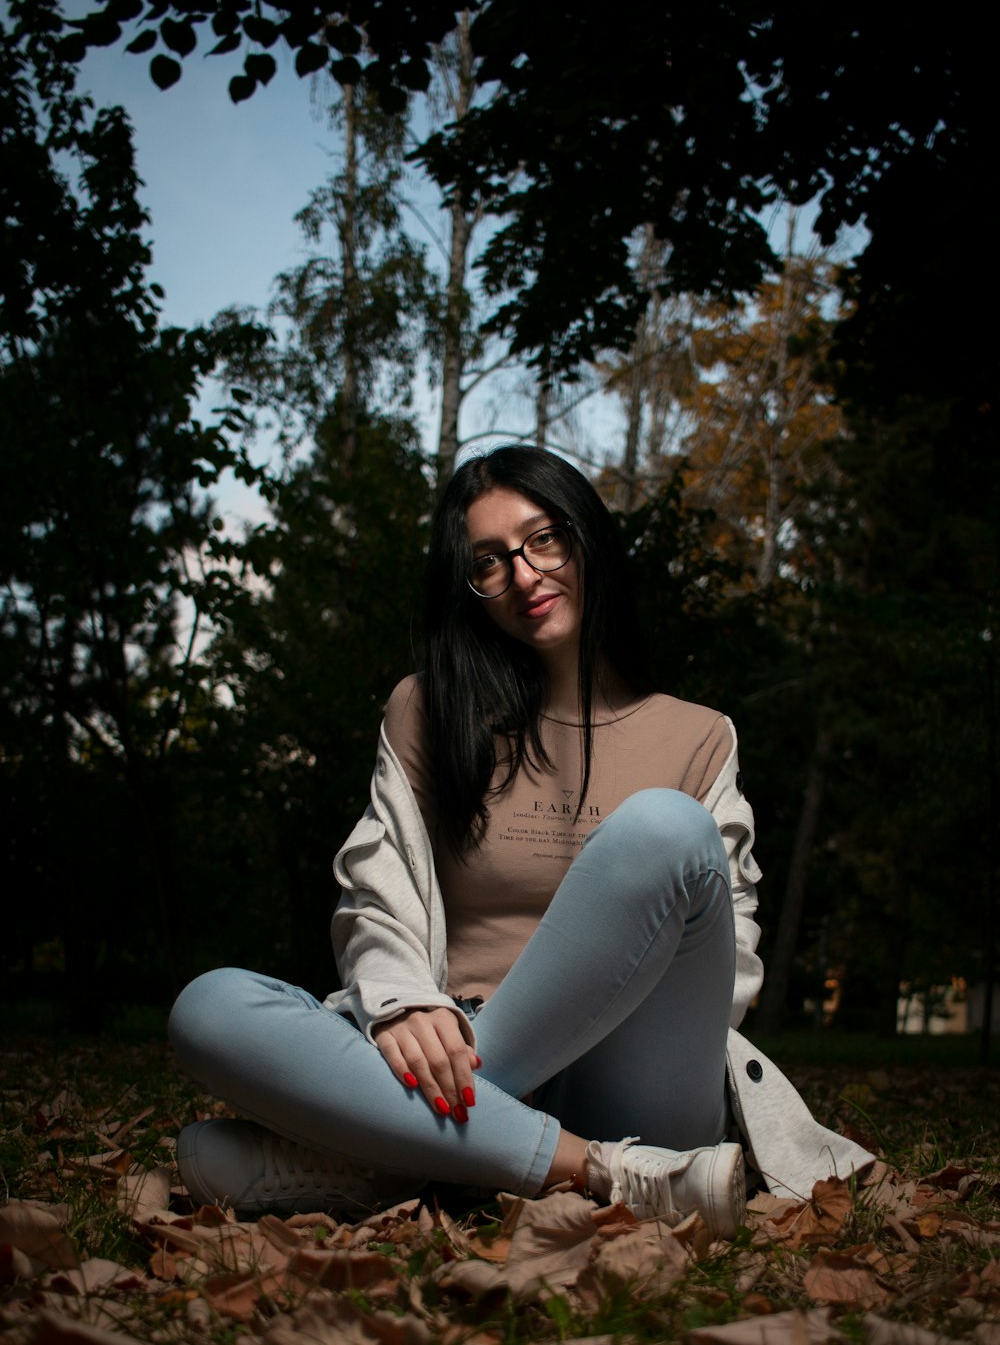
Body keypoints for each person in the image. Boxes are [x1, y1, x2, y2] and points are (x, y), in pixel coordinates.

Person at [169, 447, 870, 1233]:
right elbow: (378, 888)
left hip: (631, 1079)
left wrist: (484, 1066)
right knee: (209, 1007)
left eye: (544, 540)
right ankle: (592, 1168)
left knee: (666, 827)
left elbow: (725, 962)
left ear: (586, 539)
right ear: (471, 589)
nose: (525, 575)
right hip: (444, 1054)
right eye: (489, 563)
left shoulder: (699, 736)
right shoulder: (429, 709)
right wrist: (401, 1005)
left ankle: (406, 1149)